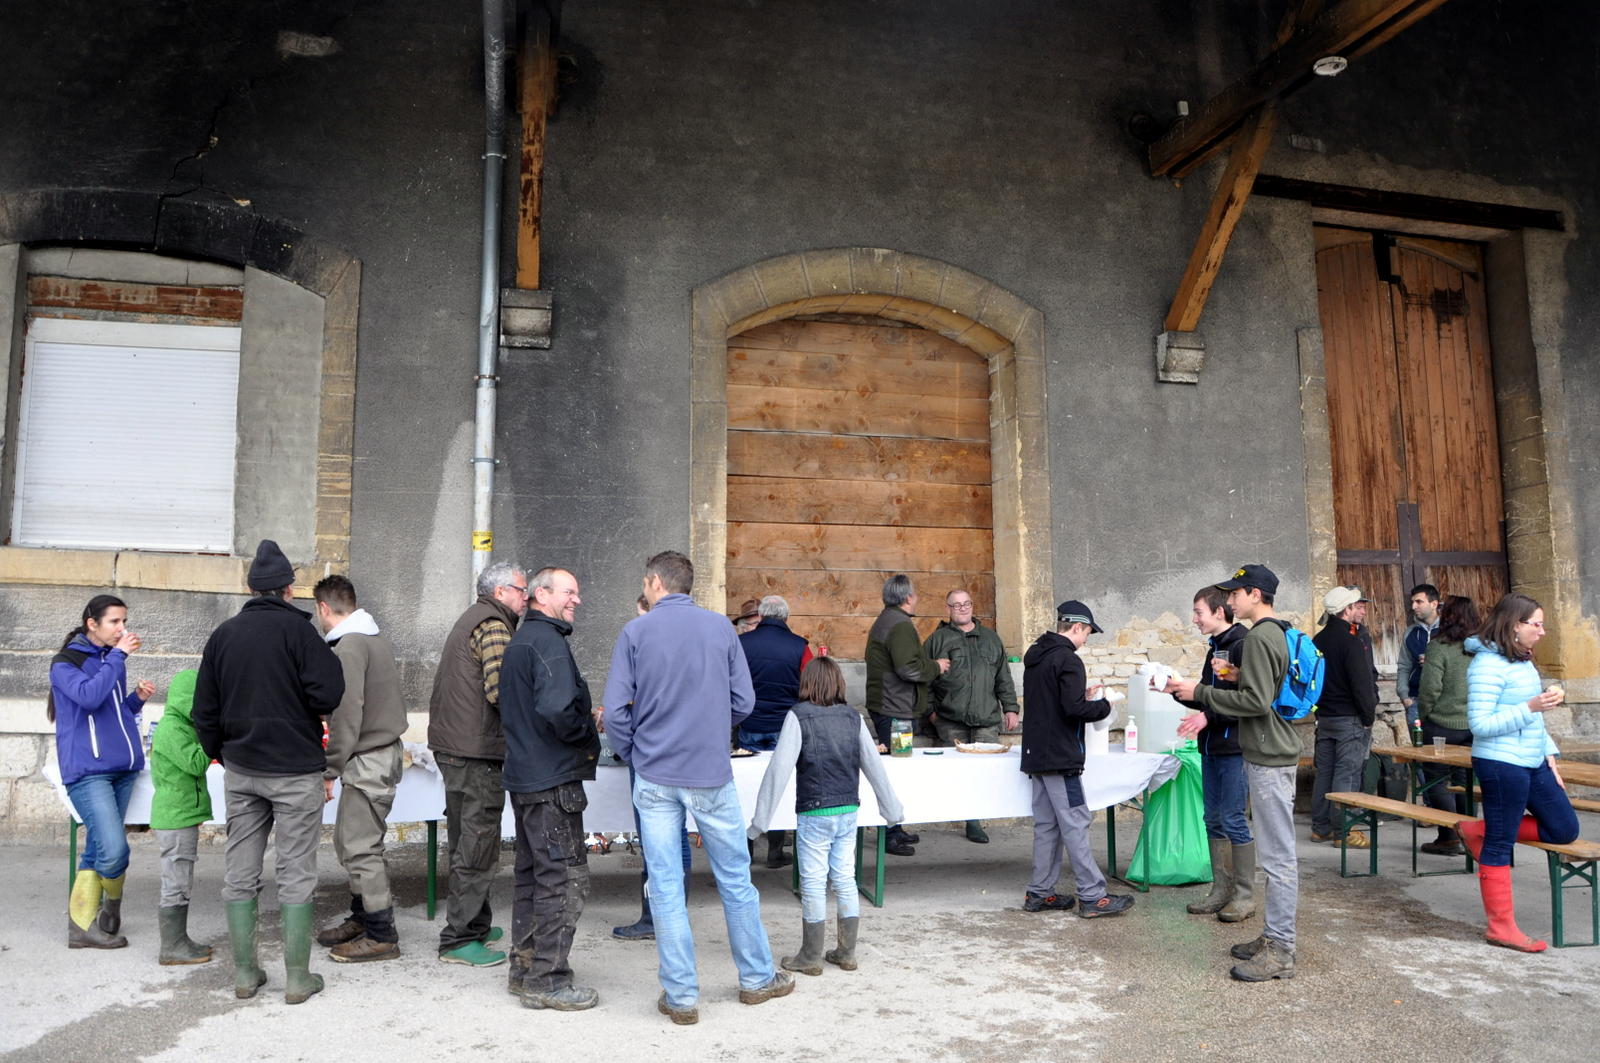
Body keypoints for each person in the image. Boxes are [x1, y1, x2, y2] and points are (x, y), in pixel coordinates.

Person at [603, 550, 794, 1026]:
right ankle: (757, 979)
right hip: (710, 771)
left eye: (644, 584)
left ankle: (681, 996)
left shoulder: (635, 632)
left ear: (655, 582)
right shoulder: (721, 629)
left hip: (655, 773)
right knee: (735, 878)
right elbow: (744, 700)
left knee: (665, 885)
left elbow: (616, 711)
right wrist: (711, 727)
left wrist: (633, 752)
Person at [193, 539, 345, 1004]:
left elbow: (204, 711)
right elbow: (329, 693)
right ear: (288, 589)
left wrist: (224, 754)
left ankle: (245, 974)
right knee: (296, 872)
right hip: (295, 770)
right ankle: (297, 978)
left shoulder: (223, 635)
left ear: (250, 588)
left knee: (240, 871)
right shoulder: (301, 633)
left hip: (243, 769)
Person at [1168, 564, 1299, 982]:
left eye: (1236, 593)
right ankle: (1273, 936)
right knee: (1272, 854)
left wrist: (1200, 692)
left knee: (1277, 860)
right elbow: (1262, 692)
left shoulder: (1258, 637)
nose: (1231, 601)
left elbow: (1256, 702)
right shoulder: (1273, 633)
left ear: (1255, 595)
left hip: (1269, 752)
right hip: (1268, 749)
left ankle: (1281, 950)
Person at [747, 657, 905, 976]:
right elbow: (874, 765)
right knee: (845, 879)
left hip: (814, 811)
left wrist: (758, 824)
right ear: (839, 683)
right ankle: (846, 953)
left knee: (814, 883)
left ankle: (810, 956)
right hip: (848, 811)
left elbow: (778, 770)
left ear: (806, 683)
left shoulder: (798, 715)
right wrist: (893, 811)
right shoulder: (853, 717)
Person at [499, 566, 602, 1011]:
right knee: (563, 879)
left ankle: (525, 969)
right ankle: (548, 980)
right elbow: (558, 708)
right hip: (551, 781)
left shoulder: (522, 640)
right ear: (541, 595)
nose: (576, 599)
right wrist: (584, 735)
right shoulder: (548, 642)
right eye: (569, 592)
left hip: (526, 778)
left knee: (532, 876)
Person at [1456, 593, 1579, 952]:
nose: (1542, 631)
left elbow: (1534, 720)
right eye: (1536, 624)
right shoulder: (1486, 665)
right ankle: (1501, 928)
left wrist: (1549, 753)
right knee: (1501, 842)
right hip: (1500, 763)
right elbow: (1480, 725)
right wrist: (1530, 706)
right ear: (1514, 625)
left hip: (1532, 758)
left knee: (1564, 828)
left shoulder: (1522, 658)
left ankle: (1477, 829)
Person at [427, 560, 528, 967]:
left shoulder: (474, 617)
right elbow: (502, 690)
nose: (526, 597)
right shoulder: (495, 625)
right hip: (476, 752)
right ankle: (459, 938)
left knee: (467, 840)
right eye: (521, 590)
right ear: (501, 592)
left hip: (457, 747)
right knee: (477, 845)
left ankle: (477, 924)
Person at [312, 575, 408, 963]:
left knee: (361, 848)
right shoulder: (372, 638)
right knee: (351, 842)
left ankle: (382, 935)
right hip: (378, 754)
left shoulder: (350, 646)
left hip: (369, 758)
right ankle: (363, 917)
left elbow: (347, 714)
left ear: (323, 608)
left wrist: (330, 768)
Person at [50, 594, 154, 950]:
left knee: (97, 848)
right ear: (92, 624)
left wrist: (136, 699)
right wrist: (118, 656)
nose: (122, 629)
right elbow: (89, 697)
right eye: (114, 622)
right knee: (113, 850)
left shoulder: (111, 659)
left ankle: (81, 927)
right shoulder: (65, 663)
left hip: (122, 767)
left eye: (124, 622)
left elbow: (111, 712)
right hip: (88, 770)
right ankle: (112, 905)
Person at [1019, 600, 1134, 920]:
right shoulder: (1068, 660)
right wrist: (1105, 705)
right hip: (1061, 757)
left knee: (1047, 826)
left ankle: (1039, 892)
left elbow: (1053, 702)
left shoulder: (1037, 655)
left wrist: (1080, 696)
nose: (1085, 640)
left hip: (1036, 755)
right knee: (1075, 823)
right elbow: (1073, 710)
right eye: (1086, 634)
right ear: (1077, 627)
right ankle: (1093, 895)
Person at [611, 595, 695, 943]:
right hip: (686, 749)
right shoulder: (689, 644)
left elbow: (620, 707)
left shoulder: (640, 641)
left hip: (649, 752)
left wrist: (627, 748)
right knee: (678, 834)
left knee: (654, 835)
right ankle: (675, 915)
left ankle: (654, 918)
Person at [1175, 586, 1253, 922]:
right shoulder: (1215, 647)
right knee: (1213, 819)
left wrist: (1208, 717)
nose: (1194, 619)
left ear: (1219, 612)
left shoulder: (1242, 644)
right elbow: (1209, 696)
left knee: (1234, 819)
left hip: (1235, 747)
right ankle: (1221, 890)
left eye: (1198, 612)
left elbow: (1249, 702)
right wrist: (1176, 690)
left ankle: (1244, 896)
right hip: (1211, 747)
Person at [923, 587, 1018, 844]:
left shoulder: (991, 639)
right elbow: (924, 680)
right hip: (950, 719)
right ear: (948, 609)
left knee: (984, 773)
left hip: (986, 718)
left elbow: (1003, 677)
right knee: (959, 772)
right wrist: (930, 713)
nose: (962, 608)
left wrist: (1010, 708)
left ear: (972, 606)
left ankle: (974, 820)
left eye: (966, 604)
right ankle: (970, 819)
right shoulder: (937, 640)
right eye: (956, 605)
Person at [864, 573, 944, 857]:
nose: (917, 597)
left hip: (890, 706)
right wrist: (936, 666)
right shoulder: (899, 625)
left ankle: (895, 828)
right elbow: (908, 668)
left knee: (894, 770)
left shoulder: (887, 620)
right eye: (915, 593)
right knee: (894, 773)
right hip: (894, 710)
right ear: (908, 597)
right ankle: (890, 834)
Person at [737, 594, 813, 867]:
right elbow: (810, 685)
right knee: (779, 785)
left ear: (762, 615)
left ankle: (745, 851)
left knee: (747, 786)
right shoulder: (800, 646)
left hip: (750, 724)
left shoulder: (743, 643)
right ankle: (775, 851)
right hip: (785, 726)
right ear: (786, 617)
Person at [149, 668, 213, 964]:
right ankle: (172, 946)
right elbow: (197, 763)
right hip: (175, 817)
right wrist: (212, 734)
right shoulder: (172, 729)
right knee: (176, 880)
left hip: (181, 816)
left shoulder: (182, 726)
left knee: (181, 877)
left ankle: (179, 939)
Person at [1308, 586, 1378, 848]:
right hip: (1349, 717)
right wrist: (1368, 716)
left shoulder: (1318, 640)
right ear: (1346, 610)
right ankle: (1344, 831)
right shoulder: (1351, 642)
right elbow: (1362, 684)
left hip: (1324, 717)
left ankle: (1320, 828)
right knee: (1346, 774)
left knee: (1324, 773)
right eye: (1353, 606)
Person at [1414, 595, 1479, 856]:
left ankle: (1449, 837)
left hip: (1441, 723)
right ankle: (1470, 836)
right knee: (1465, 780)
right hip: (1473, 723)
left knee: (1437, 779)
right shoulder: (1482, 648)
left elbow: (1430, 688)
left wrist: (1425, 715)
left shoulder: (1439, 646)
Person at [1394, 583, 1441, 745]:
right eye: (1413, 602)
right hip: (1415, 700)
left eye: (1419, 602)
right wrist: (1404, 696)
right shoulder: (1410, 632)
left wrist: (1434, 661)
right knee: (1419, 750)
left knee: (1443, 749)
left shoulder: (1448, 630)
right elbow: (1404, 665)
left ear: (1434, 604)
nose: (1414, 606)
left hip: (1443, 700)